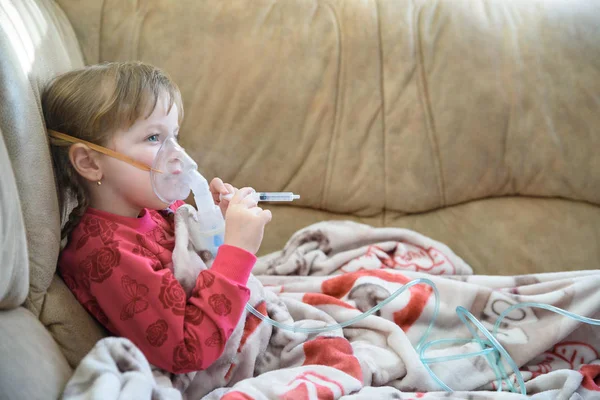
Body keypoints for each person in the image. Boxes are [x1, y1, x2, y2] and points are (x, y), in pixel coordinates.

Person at [43, 61, 271, 374]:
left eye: (174, 135)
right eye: (154, 138)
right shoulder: (107, 256)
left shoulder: (151, 209)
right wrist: (238, 252)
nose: (178, 155)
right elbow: (187, 350)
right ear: (90, 162)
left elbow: (195, 268)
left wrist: (216, 221)